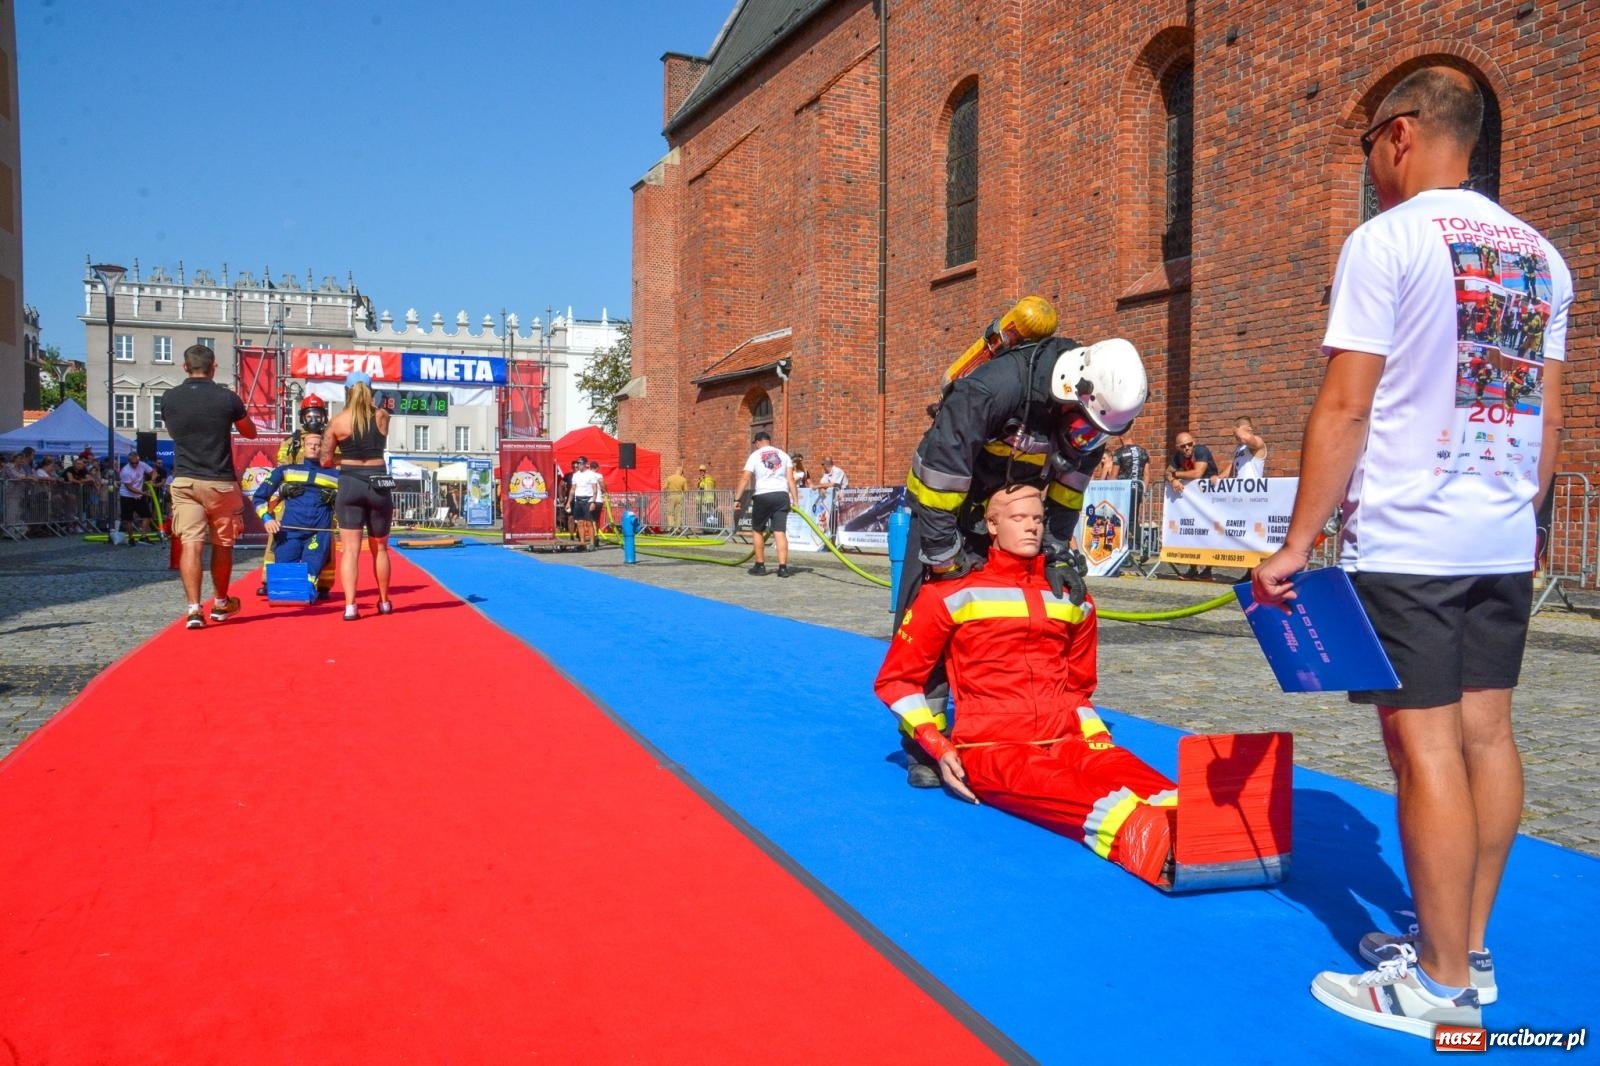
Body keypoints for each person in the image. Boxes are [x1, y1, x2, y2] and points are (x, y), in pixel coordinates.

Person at [1252, 67, 1574, 1040]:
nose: (1367, 169)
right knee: (1488, 734)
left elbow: (1346, 404)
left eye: (1364, 149)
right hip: (1499, 532)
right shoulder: (1540, 258)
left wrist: (1298, 542)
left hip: (1413, 531)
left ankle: (1434, 985)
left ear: (1398, 135)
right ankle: (1465, 948)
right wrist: (1523, 524)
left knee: (1424, 744)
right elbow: (1548, 414)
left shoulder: (1384, 241)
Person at [877, 486, 1287, 887]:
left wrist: (1096, 739)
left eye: (1038, 518)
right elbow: (897, 679)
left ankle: (1223, 832)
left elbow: (1078, 686)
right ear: (991, 525)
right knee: (1093, 802)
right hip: (991, 746)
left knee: (1158, 788)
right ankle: (1157, 846)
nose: (1032, 528)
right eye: (1019, 518)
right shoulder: (948, 594)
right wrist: (938, 745)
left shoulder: (1071, 598)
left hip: (1068, 737)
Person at [896, 332, 1148, 787]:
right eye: (1084, 427)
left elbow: (1069, 490)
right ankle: (924, 742)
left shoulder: (1090, 421)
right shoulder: (995, 388)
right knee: (931, 611)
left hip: (1007, 506)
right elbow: (941, 471)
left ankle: (1026, 719)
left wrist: (1054, 553)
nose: (1085, 438)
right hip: (944, 504)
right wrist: (942, 553)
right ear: (1073, 389)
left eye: (1095, 433)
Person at [161, 343, 258, 629]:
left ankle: (193, 609)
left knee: (190, 544)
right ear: (214, 367)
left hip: (185, 479)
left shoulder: (169, 397)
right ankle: (220, 602)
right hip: (219, 480)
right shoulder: (227, 398)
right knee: (222, 543)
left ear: (185, 367)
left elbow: (172, 431)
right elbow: (249, 432)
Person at [321, 370, 395, 620]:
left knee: (350, 550)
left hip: (350, 483)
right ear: (370, 391)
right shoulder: (383, 416)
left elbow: (325, 460)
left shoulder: (338, 421)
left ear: (347, 391)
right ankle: (384, 601)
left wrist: (346, 458)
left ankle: (351, 606)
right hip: (379, 483)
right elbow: (377, 442)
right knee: (381, 549)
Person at [252, 432, 338, 600]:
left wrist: (338, 498)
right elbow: (258, 497)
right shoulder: (285, 471)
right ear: (303, 448)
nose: (314, 446)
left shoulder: (336, 476)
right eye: (310, 444)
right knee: (283, 591)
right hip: (289, 532)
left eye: (318, 444)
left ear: (324, 449)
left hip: (318, 534)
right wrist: (266, 518)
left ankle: (312, 587)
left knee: (306, 583)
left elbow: (353, 502)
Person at [734, 431, 797, 577]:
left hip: (763, 495)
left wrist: (737, 499)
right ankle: (782, 568)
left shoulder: (755, 455)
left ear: (757, 442)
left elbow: (745, 478)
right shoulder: (784, 455)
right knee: (780, 531)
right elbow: (791, 479)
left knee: (757, 529)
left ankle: (760, 565)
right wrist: (795, 501)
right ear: (769, 441)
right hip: (782, 495)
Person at [568, 456, 606, 550]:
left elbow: (595, 489)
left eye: (580, 464)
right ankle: (582, 543)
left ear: (585, 464)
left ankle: (592, 544)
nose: (579, 465)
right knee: (580, 523)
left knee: (589, 522)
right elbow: (573, 489)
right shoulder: (576, 475)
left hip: (588, 500)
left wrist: (593, 501)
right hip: (578, 500)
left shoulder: (591, 474)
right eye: (578, 464)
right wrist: (568, 502)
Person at [118, 452, 155, 543]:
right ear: (129, 462)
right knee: (128, 519)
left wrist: (152, 480)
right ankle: (131, 538)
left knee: (147, 515)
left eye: (136, 463)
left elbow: (153, 472)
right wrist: (143, 493)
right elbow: (130, 488)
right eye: (132, 463)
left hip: (139, 496)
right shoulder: (125, 471)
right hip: (127, 496)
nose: (134, 465)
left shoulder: (142, 465)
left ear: (138, 460)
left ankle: (143, 536)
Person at [663, 463, 690, 530]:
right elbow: (686, 490)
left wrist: (665, 496)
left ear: (676, 471)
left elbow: (664, 488)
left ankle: (671, 527)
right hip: (679, 496)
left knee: (670, 512)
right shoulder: (683, 479)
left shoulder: (669, 478)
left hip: (671, 496)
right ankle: (678, 528)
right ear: (681, 472)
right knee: (679, 513)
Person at [695, 463, 718, 530]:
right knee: (710, 512)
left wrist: (700, 480)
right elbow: (714, 486)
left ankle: (706, 525)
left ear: (704, 471)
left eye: (701, 471)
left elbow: (700, 487)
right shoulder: (711, 478)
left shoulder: (704, 479)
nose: (701, 472)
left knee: (705, 512)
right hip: (711, 498)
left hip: (705, 498)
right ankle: (711, 525)